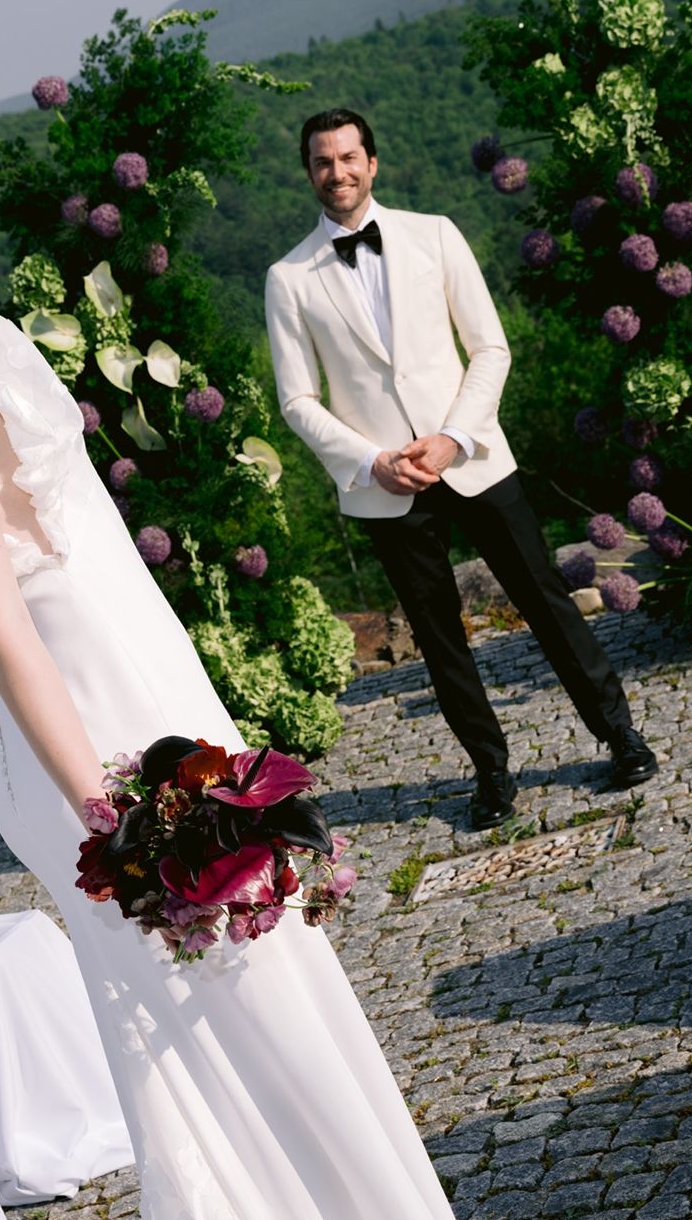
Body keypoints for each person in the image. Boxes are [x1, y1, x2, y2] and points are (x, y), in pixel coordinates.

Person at [0, 103, 594, 1220]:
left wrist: (66, 615)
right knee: (254, 1045)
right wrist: (127, 813)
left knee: (271, 1035)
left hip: (133, 717)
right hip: (111, 759)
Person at [265, 108, 657, 831]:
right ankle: (491, 773)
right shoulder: (287, 278)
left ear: (371, 162)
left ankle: (617, 734)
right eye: (322, 161)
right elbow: (295, 400)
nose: (336, 172)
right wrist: (370, 460)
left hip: (471, 456)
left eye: (348, 157)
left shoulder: (434, 234)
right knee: (438, 636)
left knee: (544, 600)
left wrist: (450, 436)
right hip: (384, 487)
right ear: (308, 172)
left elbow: (490, 350)